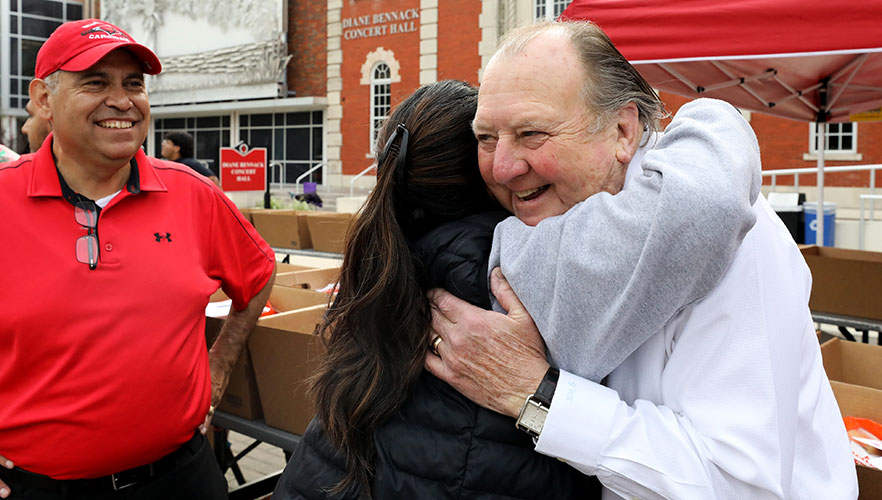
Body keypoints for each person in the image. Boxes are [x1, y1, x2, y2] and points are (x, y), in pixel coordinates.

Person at [275, 69, 764, 498]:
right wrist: (713, 114)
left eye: (526, 133)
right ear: (488, 175)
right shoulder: (523, 265)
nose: (506, 158)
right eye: (489, 138)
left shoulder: (388, 260)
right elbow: (703, 206)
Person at [425, 21, 857, 500]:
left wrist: (537, 396)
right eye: (486, 138)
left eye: (532, 133)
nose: (502, 167)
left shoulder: (732, 238)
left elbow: (739, 484)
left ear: (623, 131)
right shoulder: (540, 228)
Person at [0, 18, 276, 500]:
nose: (123, 101)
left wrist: (221, 364)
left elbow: (259, 273)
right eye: (95, 82)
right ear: (44, 99)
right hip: (41, 489)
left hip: (183, 479)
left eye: (134, 84)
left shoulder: (194, 195)